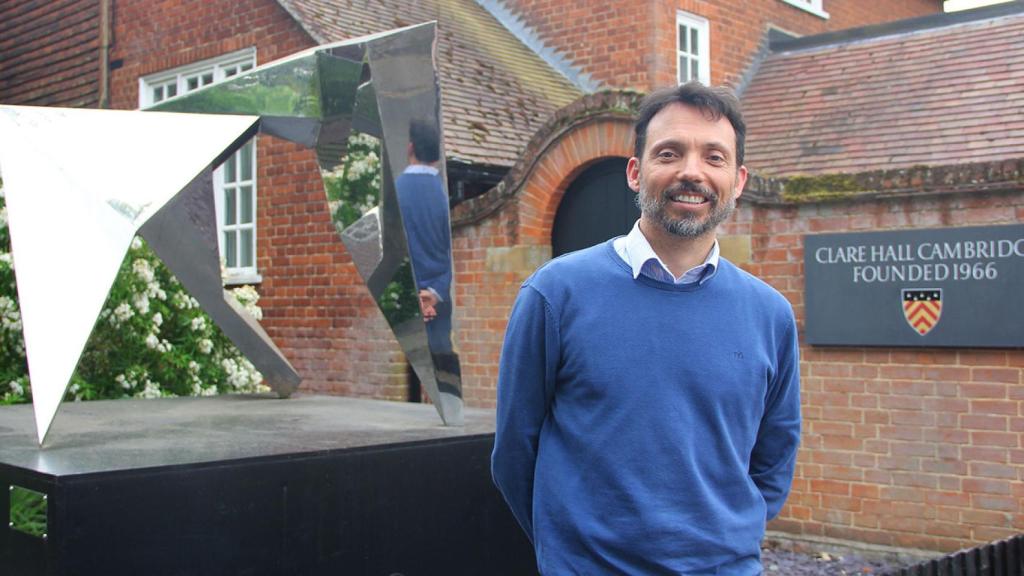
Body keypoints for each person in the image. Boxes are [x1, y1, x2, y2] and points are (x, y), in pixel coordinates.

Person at [491, 82, 801, 575]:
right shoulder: (555, 294)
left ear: (738, 180)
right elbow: (514, 452)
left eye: (714, 157)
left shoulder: (770, 315)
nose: (691, 172)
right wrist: (568, 553)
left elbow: (774, 459)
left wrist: (726, 540)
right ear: (635, 172)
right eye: (669, 153)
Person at [396, 119, 453, 354]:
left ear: (410, 148)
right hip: (439, 300)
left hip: (402, 301)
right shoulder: (446, 194)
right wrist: (434, 294)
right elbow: (455, 250)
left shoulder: (394, 192)